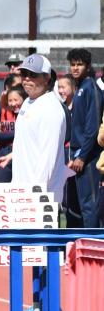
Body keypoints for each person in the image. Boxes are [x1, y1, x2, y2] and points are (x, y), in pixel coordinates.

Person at [0, 54, 69, 205]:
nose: (27, 78)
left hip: (40, 198)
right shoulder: (28, 102)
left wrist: (34, 197)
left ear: (47, 78)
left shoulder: (51, 109)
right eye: (24, 74)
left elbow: (48, 158)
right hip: (23, 191)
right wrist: (12, 155)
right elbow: (27, 139)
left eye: (33, 74)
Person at [66, 49, 100, 227]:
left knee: (90, 204)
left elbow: (92, 127)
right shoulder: (79, 88)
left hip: (88, 158)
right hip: (77, 156)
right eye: (73, 64)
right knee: (79, 204)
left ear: (87, 66)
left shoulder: (91, 88)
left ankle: (94, 248)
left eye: (79, 64)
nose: (75, 68)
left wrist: (82, 156)